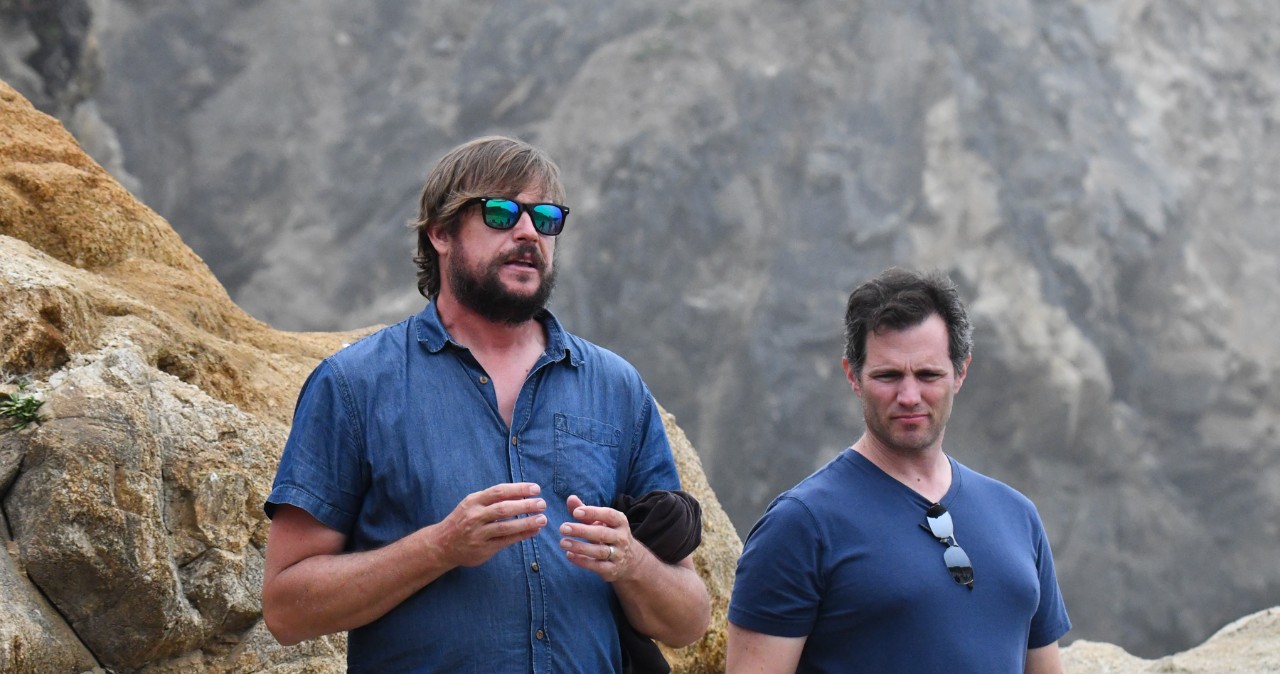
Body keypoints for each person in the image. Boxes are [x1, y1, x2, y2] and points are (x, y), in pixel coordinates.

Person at [260, 135, 711, 673]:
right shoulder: (354, 386)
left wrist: (633, 563)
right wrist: (441, 547)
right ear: (441, 233)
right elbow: (286, 610)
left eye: (545, 218)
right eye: (500, 213)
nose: (528, 232)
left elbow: (688, 621)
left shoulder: (616, 388)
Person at [726, 267, 1070, 674]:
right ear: (853, 376)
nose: (909, 396)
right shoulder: (800, 525)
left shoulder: (1018, 516)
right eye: (888, 376)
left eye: (928, 374)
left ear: (960, 372)